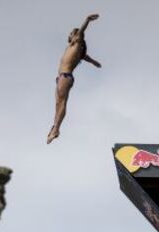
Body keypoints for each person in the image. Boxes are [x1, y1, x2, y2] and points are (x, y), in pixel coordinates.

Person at [47, 14, 101, 144]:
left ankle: (56, 129)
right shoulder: (75, 49)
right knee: (58, 104)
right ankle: (54, 126)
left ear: (76, 37)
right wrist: (94, 62)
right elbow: (85, 57)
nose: (70, 35)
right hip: (61, 77)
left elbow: (81, 32)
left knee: (62, 103)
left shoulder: (77, 43)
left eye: (72, 33)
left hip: (65, 76)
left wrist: (87, 21)